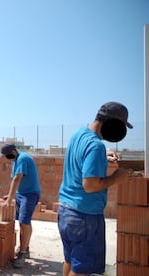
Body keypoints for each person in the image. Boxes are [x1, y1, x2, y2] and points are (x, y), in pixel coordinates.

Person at [58, 101, 133, 276]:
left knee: (70, 260)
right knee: (82, 269)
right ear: (111, 123)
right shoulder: (96, 146)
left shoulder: (79, 134)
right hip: (85, 216)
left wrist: (103, 155)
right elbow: (90, 185)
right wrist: (116, 177)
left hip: (65, 211)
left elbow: (82, 158)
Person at [0, 144, 41, 268]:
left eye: (7, 155)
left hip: (30, 194)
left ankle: (22, 253)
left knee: (24, 222)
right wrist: (10, 195)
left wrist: (10, 198)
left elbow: (17, 178)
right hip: (21, 193)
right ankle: (25, 248)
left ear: (13, 151)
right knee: (23, 222)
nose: (7, 158)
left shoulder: (23, 158)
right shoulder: (15, 160)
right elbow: (16, 180)